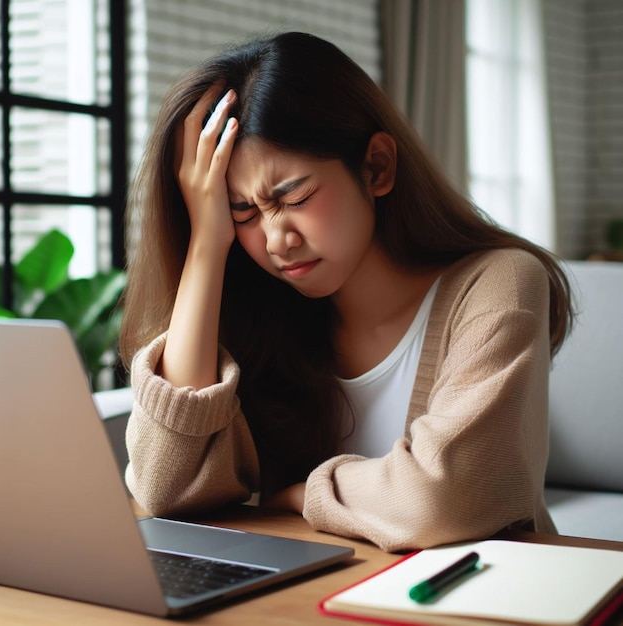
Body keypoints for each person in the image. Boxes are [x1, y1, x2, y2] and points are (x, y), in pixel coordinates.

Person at [119, 31, 574, 552]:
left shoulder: (499, 283)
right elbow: (164, 488)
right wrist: (206, 245)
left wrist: (303, 494)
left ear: (376, 166)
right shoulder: (261, 315)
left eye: (295, 196)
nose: (275, 240)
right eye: (241, 211)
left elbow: (442, 499)